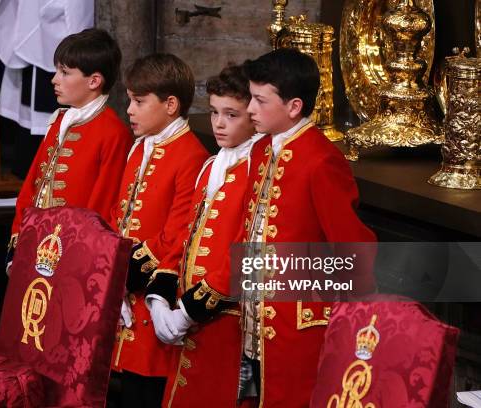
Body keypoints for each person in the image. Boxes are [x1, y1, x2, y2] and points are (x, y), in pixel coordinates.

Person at [238, 48, 377, 407]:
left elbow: (353, 249)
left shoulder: (321, 159)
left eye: (258, 100)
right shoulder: (261, 149)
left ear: (294, 106)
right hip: (254, 321)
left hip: (299, 327)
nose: (249, 109)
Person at [147, 64, 262, 407]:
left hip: (227, 321)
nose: (219, 123)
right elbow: (184, 234)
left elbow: (247, 251)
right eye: (214, 112)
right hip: (186, 315)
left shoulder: (258, 170)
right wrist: (159, 299)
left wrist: (187, 312)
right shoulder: (211, 166)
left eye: (232, 114)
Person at [110, 53, 209, 408]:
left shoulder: (190, 155)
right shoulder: (140, 146)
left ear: (170, 104)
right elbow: (119, 213)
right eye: (128, 100)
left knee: (145, 390)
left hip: (151, 292)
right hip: (122, 293)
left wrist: (122, 275)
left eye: (138, 101)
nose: (130, 110)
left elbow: (177, 233)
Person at [8, 28, 132, 272]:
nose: (54, 79)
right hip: (37, 246)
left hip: (72, 256)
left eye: (65, 73)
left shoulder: (113, 132)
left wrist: (78, 254)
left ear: (94, 81)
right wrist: (18, 237)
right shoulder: (58, 121)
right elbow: (33, 185)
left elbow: (102, 205)